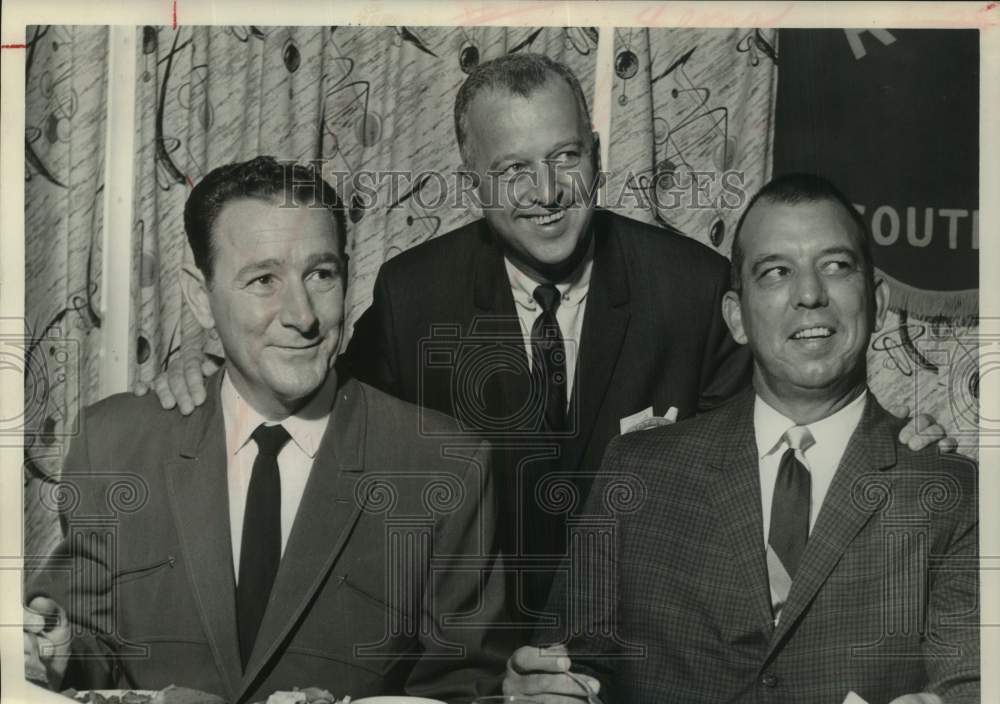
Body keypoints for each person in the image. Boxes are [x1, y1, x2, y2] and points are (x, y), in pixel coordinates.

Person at [143, 55, 949, 625]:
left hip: (652, 650)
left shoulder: (691, 286)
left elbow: (780, 445)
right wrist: (210, 375)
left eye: (567, 157)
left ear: (596, 157)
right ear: (473, 179)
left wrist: (900, 440)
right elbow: (323, 408)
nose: (549, 193)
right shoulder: (415, 292)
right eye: (515, 170)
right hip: (462, 659)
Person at [504, 174, 980, 704]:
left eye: (835, 265)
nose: (809, 294)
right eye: (775, 272)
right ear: (736, 317)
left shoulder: (949, 490)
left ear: (879, 299)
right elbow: (574, 666)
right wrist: (538, 691)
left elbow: (969, 695)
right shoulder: (638, 471)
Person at [24, 157, 507, 704]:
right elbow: (92, 655)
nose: (302, 315)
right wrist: (57, 657)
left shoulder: (443, 465)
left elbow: (465, 694)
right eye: (263, 281)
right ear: (200, 297)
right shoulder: (114, 443)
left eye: (321, 274)